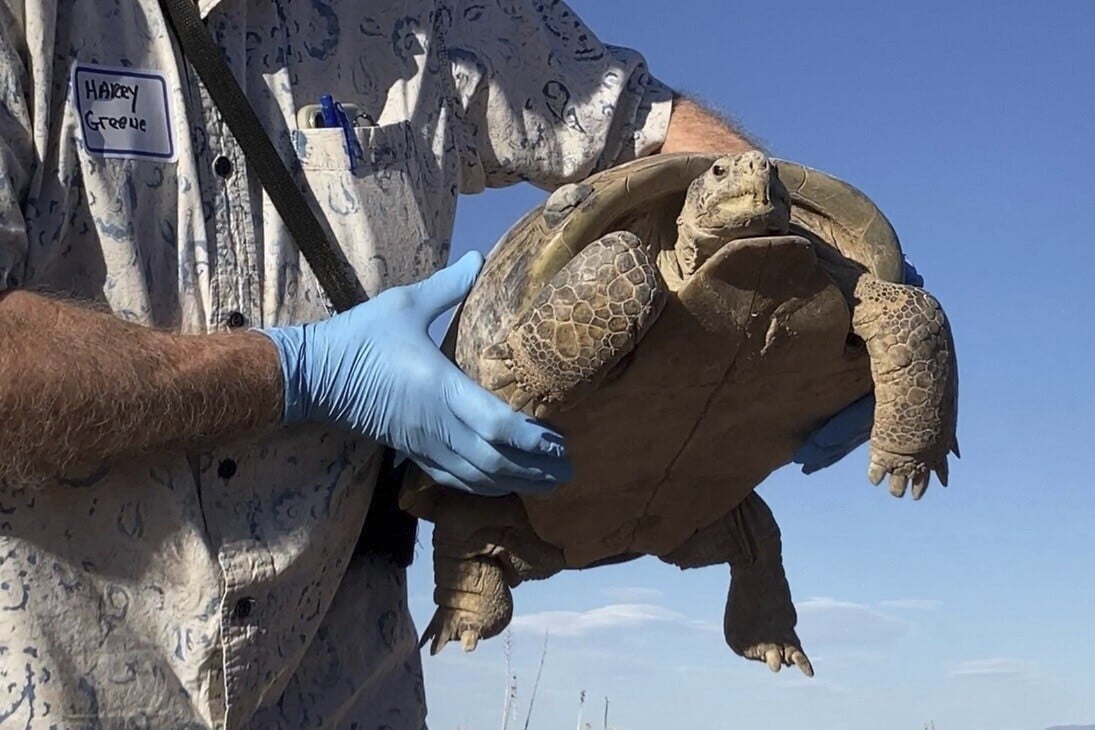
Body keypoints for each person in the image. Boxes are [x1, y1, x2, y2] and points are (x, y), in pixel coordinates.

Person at [0, 1, 888, 727]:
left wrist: (833, 266)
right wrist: (299, 373)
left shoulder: (433, 15)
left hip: (343, 677)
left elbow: (654, 131)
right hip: (62, 666)